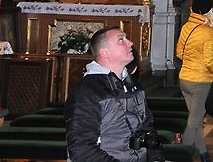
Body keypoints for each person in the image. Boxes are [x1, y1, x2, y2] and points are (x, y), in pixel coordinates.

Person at [65, 27, 165, 161]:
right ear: (105, 52)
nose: (130, 43)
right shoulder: (88, 91)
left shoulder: (132, 84)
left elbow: (147, 128)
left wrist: (156, 158)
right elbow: (82, 150)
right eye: (121, 40)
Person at [177, 0, 213, 162]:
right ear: (207, 10)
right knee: (194, 123)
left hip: (184, 79)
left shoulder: (186, 27)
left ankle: (204, 155)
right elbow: (210, 62)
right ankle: (181, 157)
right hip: (200, 82)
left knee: (194, 121)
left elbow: (179, 53)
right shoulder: (208, 31)